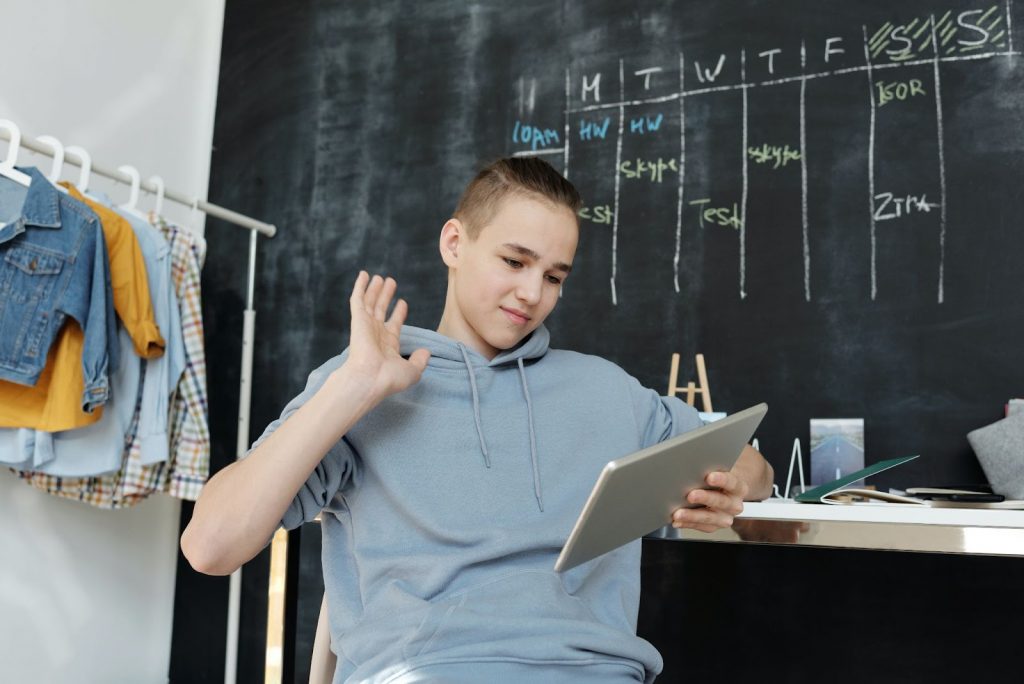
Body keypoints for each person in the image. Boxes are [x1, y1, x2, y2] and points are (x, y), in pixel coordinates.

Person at [182, 157, 774, 683]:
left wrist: (733, 485)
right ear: (454, 243)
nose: (531, 293)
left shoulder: (606, 389)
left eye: (553, 276)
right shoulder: (365, 380)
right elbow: (210, 547)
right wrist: (351, 391)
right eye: (514, 261)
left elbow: (752, 463)